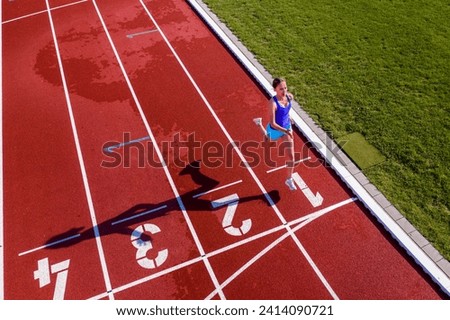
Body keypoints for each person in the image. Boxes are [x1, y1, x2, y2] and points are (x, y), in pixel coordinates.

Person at [253, 78, 297, 190]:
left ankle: (289, 179)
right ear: (275, 89)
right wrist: (285, 131)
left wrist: (289, 118)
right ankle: (259, 124)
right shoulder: (272, 103)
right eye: (281, 89)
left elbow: (286, 111)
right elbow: (273, 123)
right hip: (275, 129)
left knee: (291, 157)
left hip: (286, 127)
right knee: (267, 143)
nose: (284, 91)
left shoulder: (289, 97)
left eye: (285, 88)